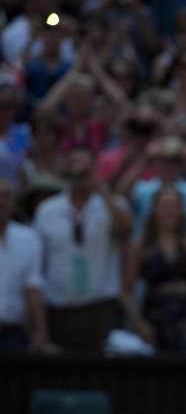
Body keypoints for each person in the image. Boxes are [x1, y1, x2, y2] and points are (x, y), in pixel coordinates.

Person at [32, 145, 133, 351]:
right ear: (65, 170)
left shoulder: (112, 204)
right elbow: (38, 261)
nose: (79, 172)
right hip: (59, 307)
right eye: (74, 165)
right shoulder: (47, 210)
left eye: (84, 167)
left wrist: (101, 189)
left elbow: (126, 228)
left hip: (101, 306)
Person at [120, 186, 186, 352]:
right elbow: (125, 291)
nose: (170, 211)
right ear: (154, 210)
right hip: (154, 318)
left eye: (175, 206)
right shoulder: (141, 246)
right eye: (164, 206)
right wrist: (138, 324)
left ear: (183, 210)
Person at [0, 180, 55, 353]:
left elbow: (33, 287)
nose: (1, 202)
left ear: (13, 201)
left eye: (6, 196)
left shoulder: (29, 238)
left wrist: (40, 331)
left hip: (13, 330)